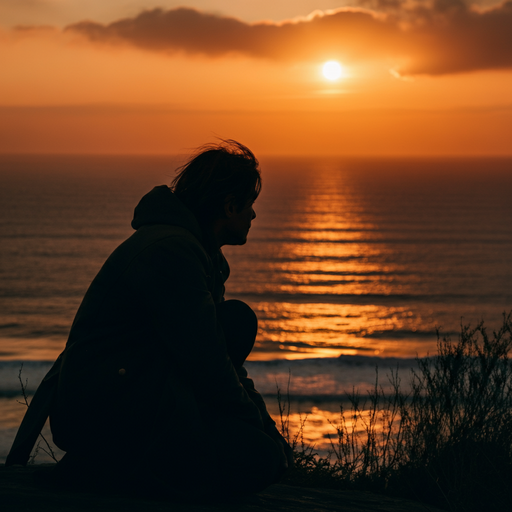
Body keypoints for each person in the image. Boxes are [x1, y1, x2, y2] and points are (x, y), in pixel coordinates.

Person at [6, 140, 293, 497]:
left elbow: (223, 363)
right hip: (105, 414)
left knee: (236, 325)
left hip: (140, 397)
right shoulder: (172, 251)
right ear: (229, 205)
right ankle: (124, 474)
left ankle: (149, 472)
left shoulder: (198, 253)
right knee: (257, 458)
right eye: (249, 206)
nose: (253, 216)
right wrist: (259, 431)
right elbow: (207, 364)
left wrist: (265, 426)